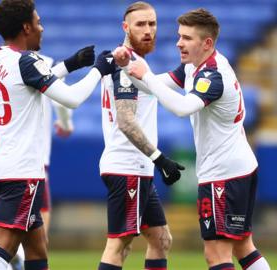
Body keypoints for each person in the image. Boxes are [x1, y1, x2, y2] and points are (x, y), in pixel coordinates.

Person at [114, 8, 271, 270]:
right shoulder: (193, 67)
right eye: (179, 36)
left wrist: (146, 75)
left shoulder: (213, 75)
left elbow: (182, 107)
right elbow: (156, 85)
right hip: (237, 168)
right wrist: (127, 67)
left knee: (216, 253)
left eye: (187, 38)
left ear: (207, 43)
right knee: (243, 246)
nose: (178, 43)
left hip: (224, 174)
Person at [0, 0, 116, 269]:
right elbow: (72, 98)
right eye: (38, 22)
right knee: (5, 242)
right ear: (26, 27)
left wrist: (71, 64)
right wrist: (99, 69)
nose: (42, 28)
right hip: (23, 168)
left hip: (0, 163)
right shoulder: (27, 61)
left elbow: (27, 81)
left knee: (37, 248)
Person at [0, 50, 86, 270]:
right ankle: (16, 261)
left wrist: (2, 128)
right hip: (30, 162)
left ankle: (17, 260)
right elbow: (64, 102)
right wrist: (66, 124)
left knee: (32, 241)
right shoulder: (43, 64)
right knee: (13, 240)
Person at [98, 2, 184, 270]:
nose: (149, 30)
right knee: (119, 244)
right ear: (125, 27)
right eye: (141, 24)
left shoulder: (132, 62)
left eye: (152, 23)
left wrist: (191, 64)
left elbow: (155, 84)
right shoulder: (125, 63)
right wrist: (160, 159)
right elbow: (126, 121)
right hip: (128, 167)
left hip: (137, 168)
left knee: (160, 239)